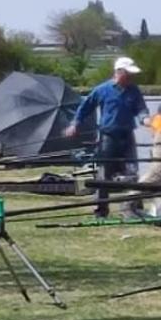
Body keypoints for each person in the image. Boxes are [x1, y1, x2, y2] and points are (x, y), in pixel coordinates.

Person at [66, 57, 149, 218]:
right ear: (119, 72)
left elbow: (141, 109)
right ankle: (100, 210)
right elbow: (85, 108)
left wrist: (145, 119)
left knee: (133, 171)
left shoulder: (134, 90)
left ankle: (134, 207)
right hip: (108, 136)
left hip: (127, 134)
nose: (132, 77)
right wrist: (75, 124)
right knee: (104, 173)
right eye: (129, 73)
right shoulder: (102, 90)